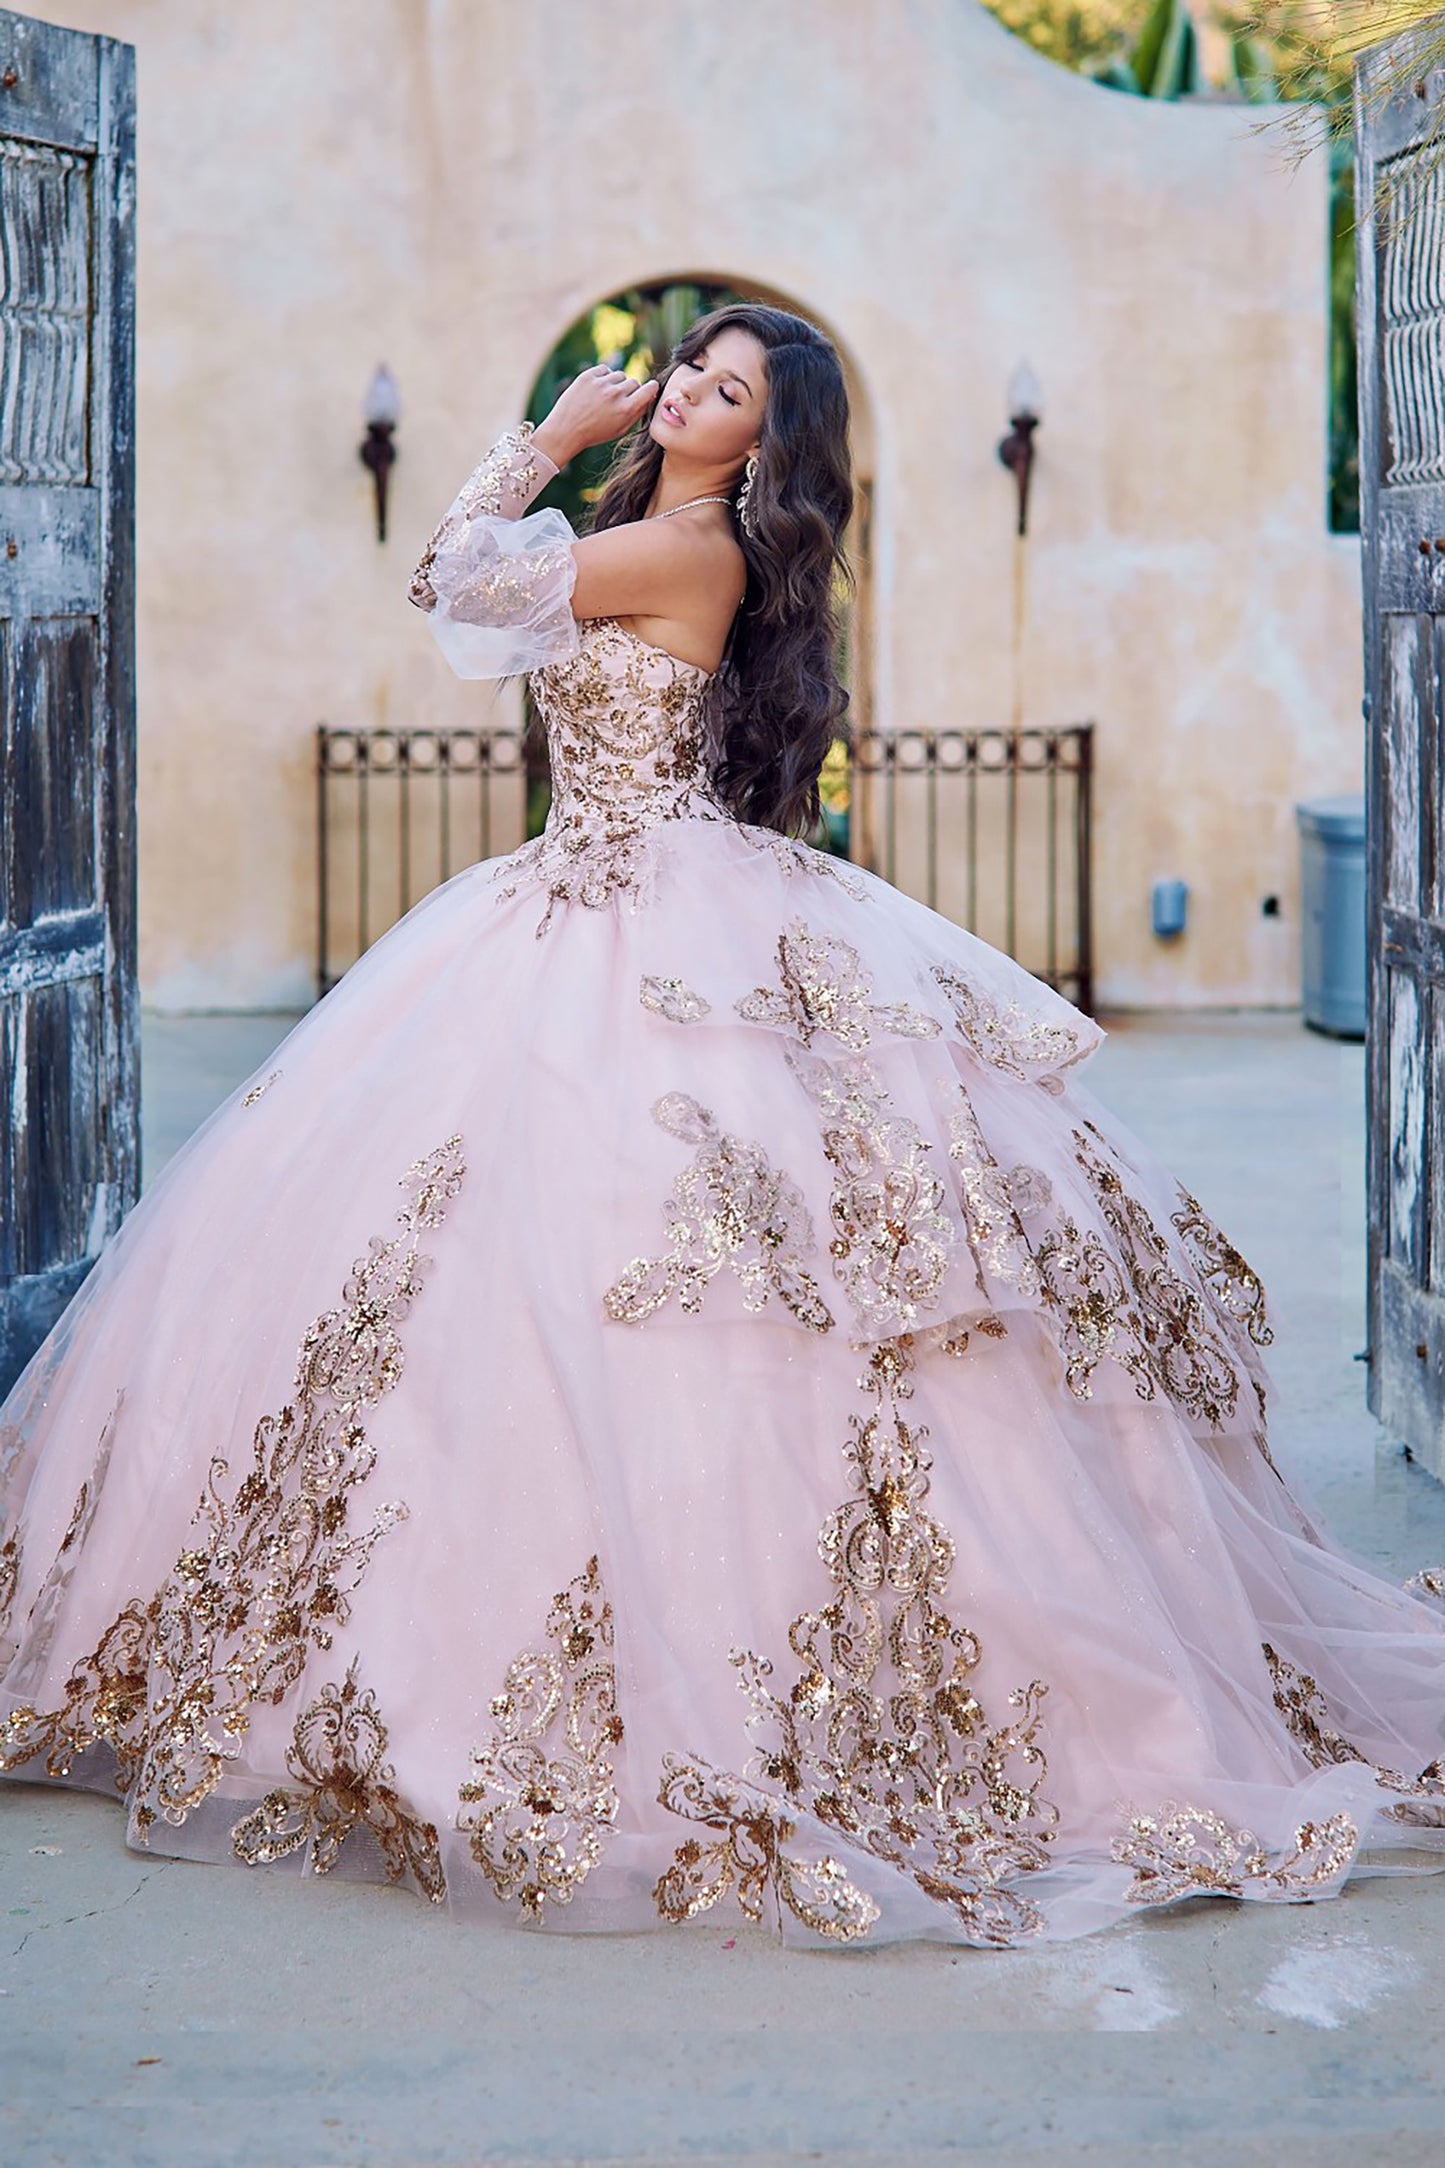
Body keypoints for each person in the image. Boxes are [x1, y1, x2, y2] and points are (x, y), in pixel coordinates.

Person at [2, 302, 1444, 1952]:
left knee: (671, 1269)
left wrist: (545, 442)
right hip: (569, 900)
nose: (687, 387)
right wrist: (568, 471)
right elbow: (497, 619)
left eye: (728, 387)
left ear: (763, 441)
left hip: (640, 915)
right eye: (692, 364)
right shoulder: (654, 529)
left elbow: (453, 587)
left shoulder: (689, 543)